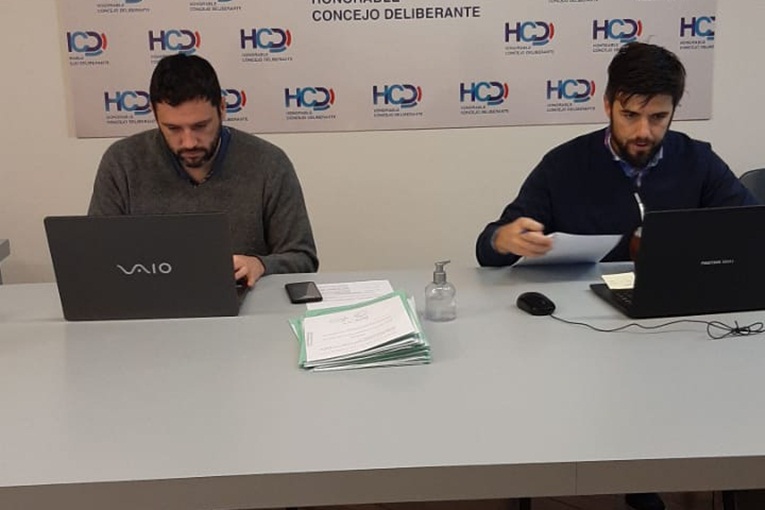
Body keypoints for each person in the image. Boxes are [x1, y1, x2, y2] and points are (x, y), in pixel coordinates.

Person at [476, 42, 757, 270]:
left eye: (658, 117)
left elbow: (754, 228)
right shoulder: (562, 165)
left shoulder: (698, 161)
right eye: (630, 115)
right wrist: (502, 240)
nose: (643, 132)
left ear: (673, 110)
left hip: (676, 300)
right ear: (608, 106)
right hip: (581, 308)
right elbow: (488, 249)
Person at [88, 53, 318, 286]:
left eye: (200, 126)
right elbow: (96, 256)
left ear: (222, 108)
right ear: (155, 115)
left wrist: (261, 265)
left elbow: (303, 258)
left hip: (246, 300)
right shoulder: (122, 162)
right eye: (173, 128)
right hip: (148, 299)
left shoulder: (269, 163)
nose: (189, 142)